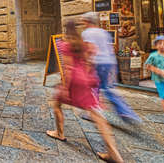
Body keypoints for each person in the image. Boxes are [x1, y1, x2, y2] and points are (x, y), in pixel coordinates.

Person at [47, 21, 123, 163]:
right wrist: (88, 77)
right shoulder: (85, 44)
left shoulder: (65, 45)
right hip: (86, 80)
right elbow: (90, 62)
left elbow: (68, 68)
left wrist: (65, 87)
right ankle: (114, 154)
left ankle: (60, 133)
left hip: (75, 81)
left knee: (57, 105)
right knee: (99, 119)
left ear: (65, 31)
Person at [82, 12, 141, 124]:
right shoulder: (104, 32)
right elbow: (110, 49)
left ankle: (93, 113)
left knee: (93, 88)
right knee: (108, 89)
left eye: (84, 21)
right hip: (109, 62)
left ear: (88, 22)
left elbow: (90, 50)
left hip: (97, 63)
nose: (83, 23)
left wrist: (88, 66)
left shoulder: (87, 33)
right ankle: (126, 112)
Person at [145, 35, 164, 128]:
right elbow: (147, 65)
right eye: (159, 43)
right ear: (156, 46)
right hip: (159, 80)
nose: (162, 45)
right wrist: (160, 72)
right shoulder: (153, 56)